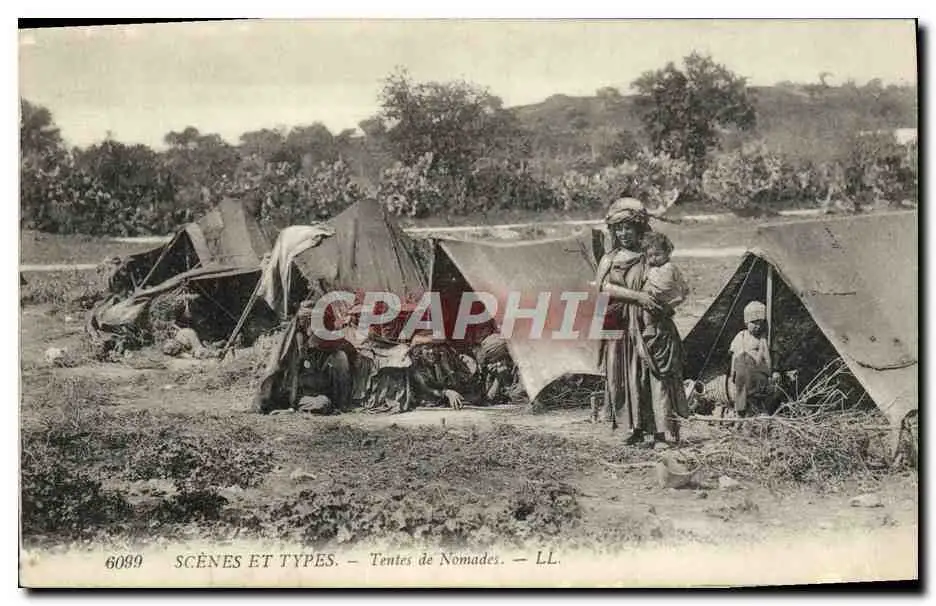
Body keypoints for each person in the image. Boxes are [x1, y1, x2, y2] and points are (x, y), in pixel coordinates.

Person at [596, 197, 686, 450]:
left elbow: (668, 284)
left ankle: (660, 432)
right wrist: (637, 297)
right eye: (619, 229)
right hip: (619, 323)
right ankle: (632, 428)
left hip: (647, 324)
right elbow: (602, 288)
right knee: (623, 375)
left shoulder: (650, 255)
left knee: (652, 375)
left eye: (628, 228)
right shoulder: (610, 259)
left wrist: (666, 304)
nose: (624, 233)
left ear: (639, 228)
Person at [729, 301, 781, 417]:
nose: (757, 326)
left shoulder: (764, 338)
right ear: (746, 322)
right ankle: (741, 410)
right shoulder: (741, 336)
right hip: (743, 373)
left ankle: (757, 408)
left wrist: (775, 370)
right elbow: (734, 356)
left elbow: (775, 355)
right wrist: (732, 373)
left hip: (759, 370)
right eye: (754, 323)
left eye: (760, 323)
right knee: (742, 361)